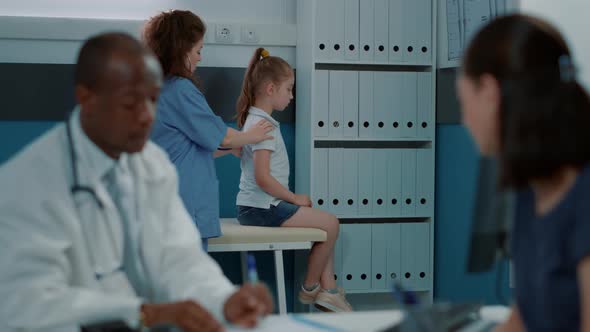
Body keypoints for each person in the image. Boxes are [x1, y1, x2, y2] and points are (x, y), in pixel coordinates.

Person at [0, 32, 272, 332]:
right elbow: (26, 304)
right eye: (131, 103)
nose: (146, 116)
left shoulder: (152, 167)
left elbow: (180, 259)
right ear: (86, 98)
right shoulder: (28, 182)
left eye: (153, 100)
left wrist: (223, 300)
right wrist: (144, 313)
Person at [457, 14, 590, 331]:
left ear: (489, 92)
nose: (464, 120)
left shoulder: (584, 203)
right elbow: (522, 320)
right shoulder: (531, 194)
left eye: (463, 102)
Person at [143, 10, 274, 250]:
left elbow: (186, 148)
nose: (200, 58)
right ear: (181, 50)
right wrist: (250, 136)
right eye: (198, 51)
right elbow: (221, 135)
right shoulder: (181, 90)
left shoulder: (155, 90)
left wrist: (232, 147)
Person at [235, 48, 352, 313]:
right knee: (331, 223)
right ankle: (310, 288)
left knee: (323, 223)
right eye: (288, 89)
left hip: (260, 207)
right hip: (262, 209)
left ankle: (329, 290)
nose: (291, 96)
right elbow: (263, 178)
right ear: (270, 88)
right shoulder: (262, 126)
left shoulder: (257, 121)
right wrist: (294, 198)